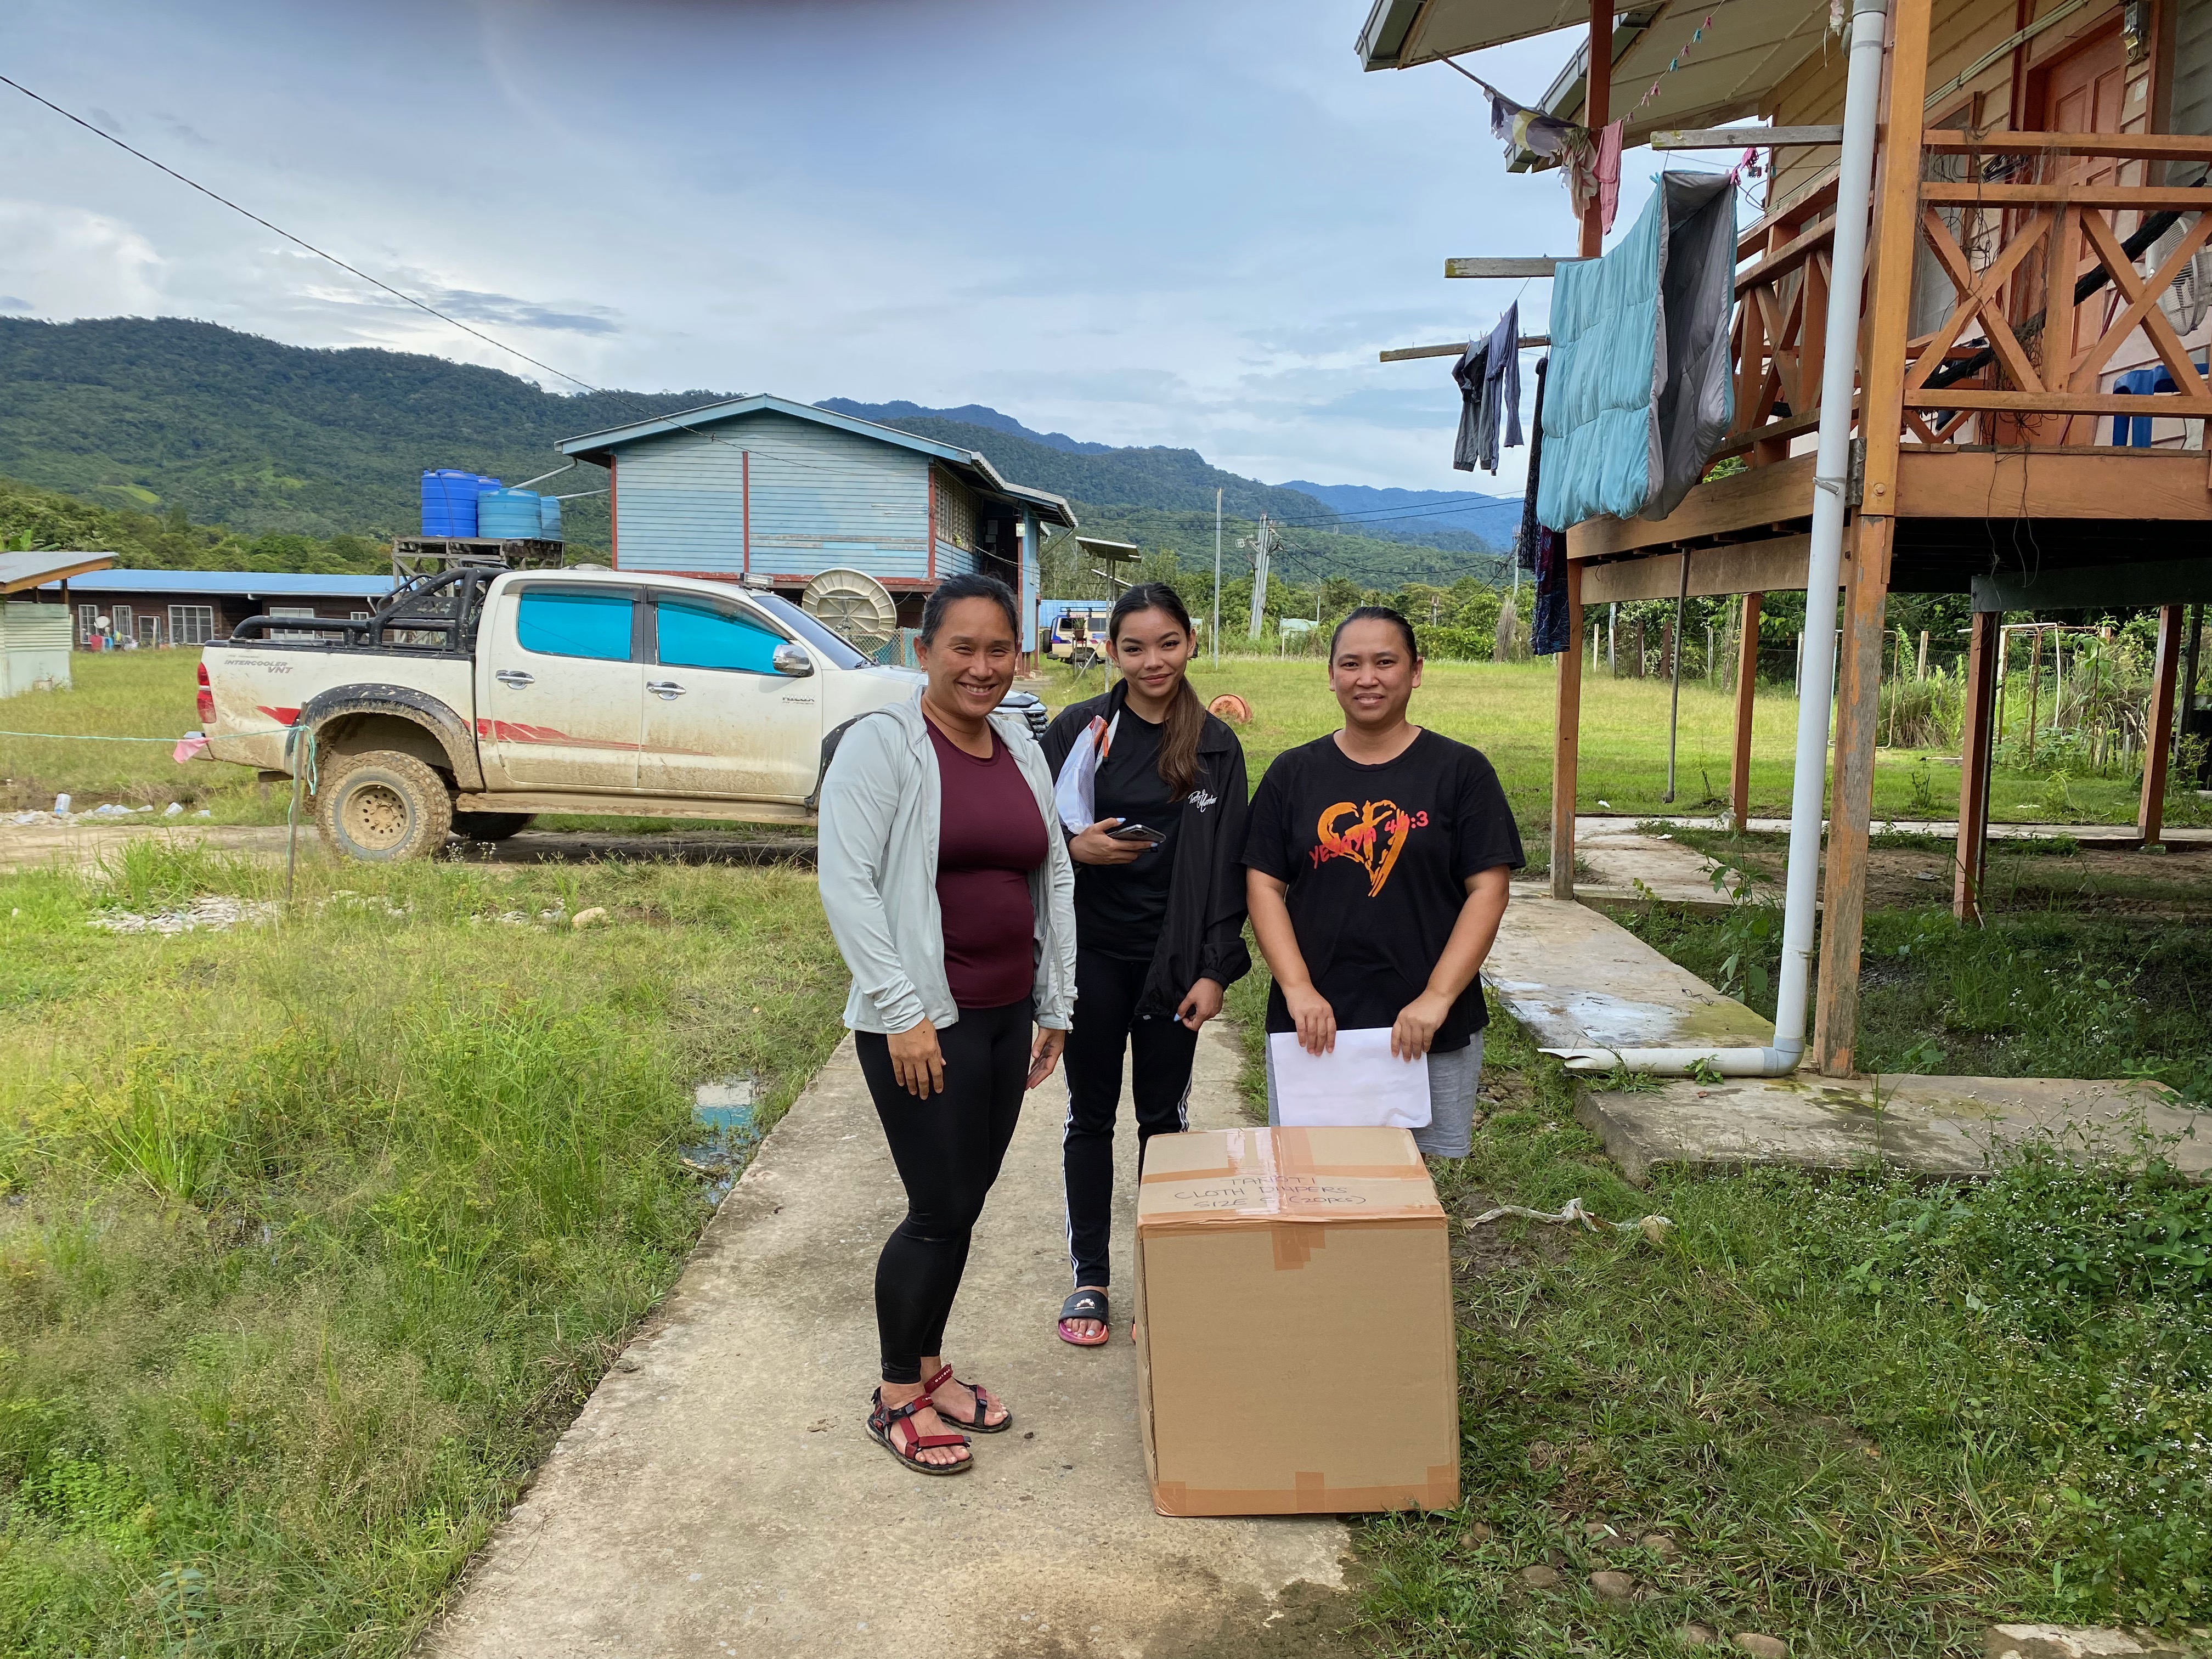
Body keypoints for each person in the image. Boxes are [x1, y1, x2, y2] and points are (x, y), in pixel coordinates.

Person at [817, 572, 1077, 1475]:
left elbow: (1053, 874)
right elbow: (847, 884)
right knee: (936, 1209)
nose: (981, 666)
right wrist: (904, 1012)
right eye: (961, 647)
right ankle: (896, 1394)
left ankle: (929, 1369)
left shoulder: (1019, 744)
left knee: (965, 1203)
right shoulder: (882, 744)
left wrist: (1054, 1003)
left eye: (998, 649)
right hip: (925, 1022)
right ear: (922, 652)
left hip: (1007, 1015)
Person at [1040, 583, 1249, 1347]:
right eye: (1134, 647)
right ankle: (1091, 1277)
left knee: (1164, 1120)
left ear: (1190, 643)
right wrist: (1076, 848)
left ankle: (1162, 1274)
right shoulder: (1079, 731)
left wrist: (1214, 970)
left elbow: (1230, 869)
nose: (1152, 661)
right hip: (1093, 956)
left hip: (1175, 964)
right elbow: (1028, 834)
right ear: (1112, 652)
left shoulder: (1217, 747)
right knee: (1090, 1117)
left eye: (1168, 644)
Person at [1243, 606, 1521, 1159]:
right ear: (1331, 675)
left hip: (1426, 1024)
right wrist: (1298, 989)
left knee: (1414, 1178)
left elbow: (1489, 890)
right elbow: (1263, 885)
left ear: (1415, 671)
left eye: (1385, 662)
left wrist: (1437, 997)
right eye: (1351, 664)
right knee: (1312, 1172)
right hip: (1315, 1026)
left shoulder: (1461, 772)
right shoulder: (1292, 775)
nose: (1366, 678)